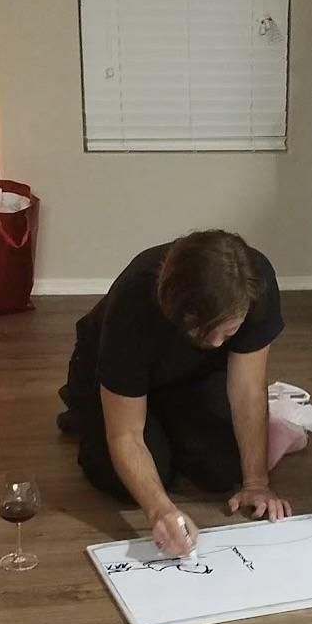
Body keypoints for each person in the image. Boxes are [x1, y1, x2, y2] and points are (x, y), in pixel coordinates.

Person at [58, 230, 292, 555]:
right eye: (204, 332)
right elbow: (126, 434)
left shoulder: (256, 282)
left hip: (190, 377)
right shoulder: (134, 302)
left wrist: (257, 484)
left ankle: (166, 428)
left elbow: (248, 390)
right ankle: (87, 415)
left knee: (224, 470)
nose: (216, 344)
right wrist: (160, 510)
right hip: (108, 376)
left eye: (228, 333)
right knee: (125, 479)